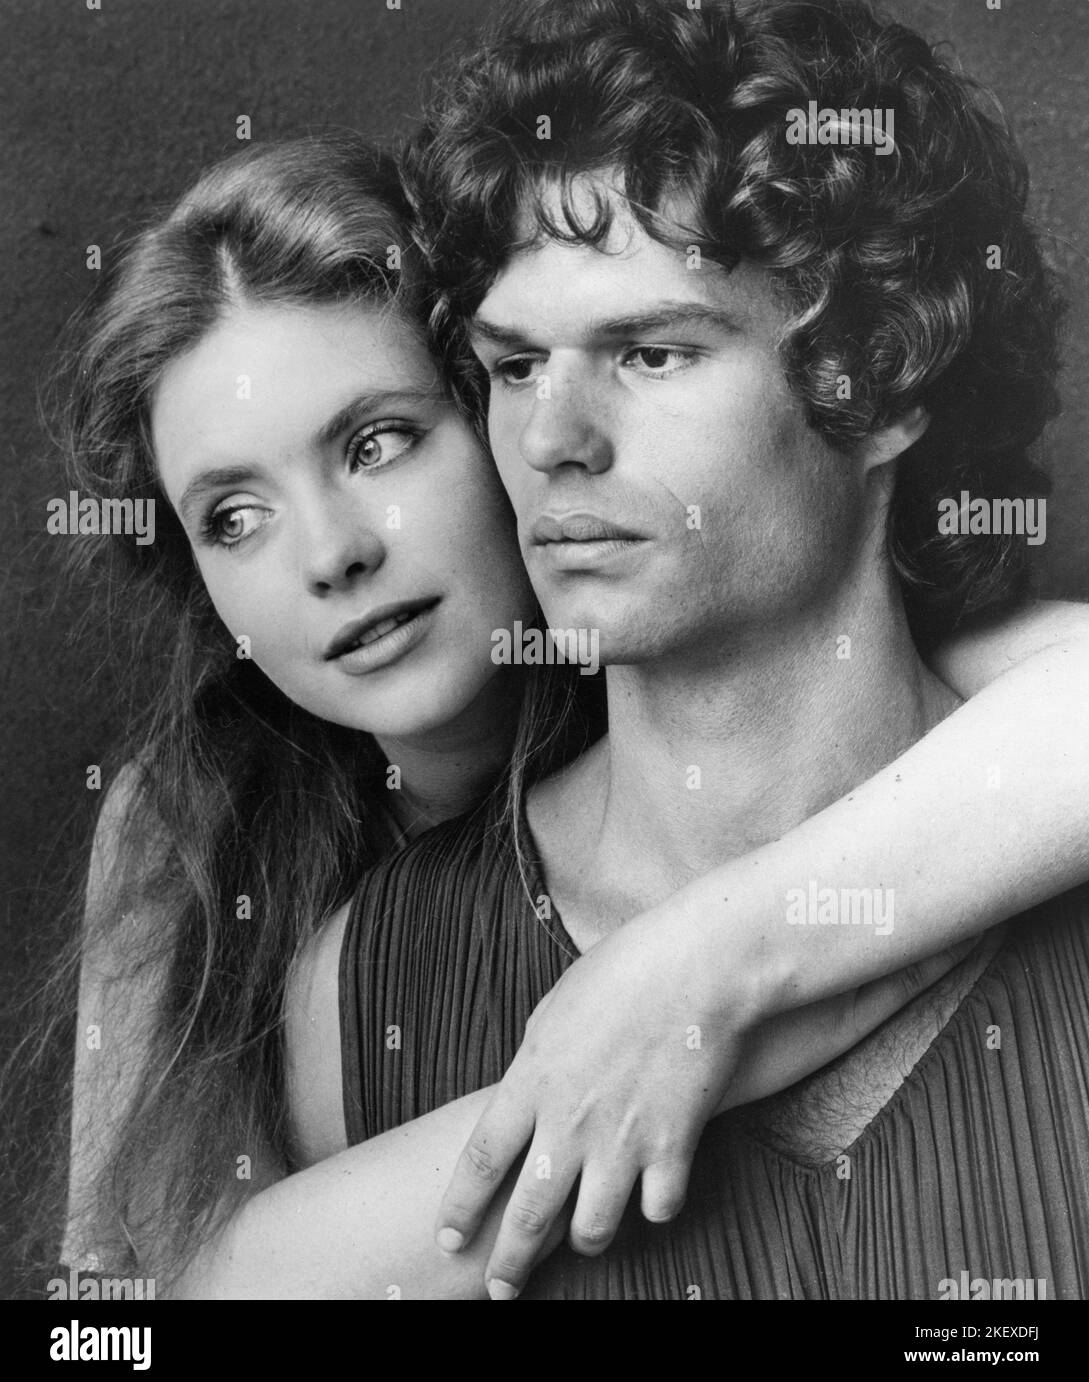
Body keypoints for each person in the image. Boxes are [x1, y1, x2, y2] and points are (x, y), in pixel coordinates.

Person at [41, 116, 1085, 1300]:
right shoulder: (198, 821)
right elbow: (124, 1314)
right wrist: (645, 1048)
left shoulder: (745, 646)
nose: (329, 556)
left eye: (379, 443)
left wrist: (700, 969)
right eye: (232, 516)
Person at [309, 0, 1089, 1299]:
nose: (552, 439)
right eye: (510, 366)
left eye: (652, 351)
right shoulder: (375, 976)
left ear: (879, 384)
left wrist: (713, 966)